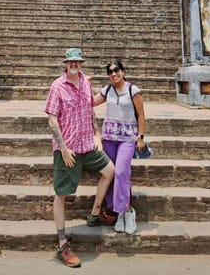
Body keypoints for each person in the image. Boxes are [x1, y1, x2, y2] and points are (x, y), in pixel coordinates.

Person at [44, 47, 115, 268]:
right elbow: (52, 120)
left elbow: (90, 110)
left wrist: (97, 134)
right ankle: (62, 242)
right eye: (71, 61)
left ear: (81, 63)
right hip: (69, 150)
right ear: (65, 64)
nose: (74, 64)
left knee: (110, 171)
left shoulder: (86, 82)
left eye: (78, 61)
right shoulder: (57, 86)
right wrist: (63, 149)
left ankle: (94, 214)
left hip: (88, 145)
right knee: (61, 194)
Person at [94, 60, 147, 235]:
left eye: (116, 70)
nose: (113, 73)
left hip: (127, 138)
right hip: (109, 138)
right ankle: (119, 213)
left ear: (123, 71)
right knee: (112, 174)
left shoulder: (133, 90)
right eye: (110, 71)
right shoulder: (107, 90)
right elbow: (90, 102)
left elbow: (141, 115)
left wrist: (140, 136)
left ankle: (128, 211)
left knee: (122, 172)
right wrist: (82, 84)